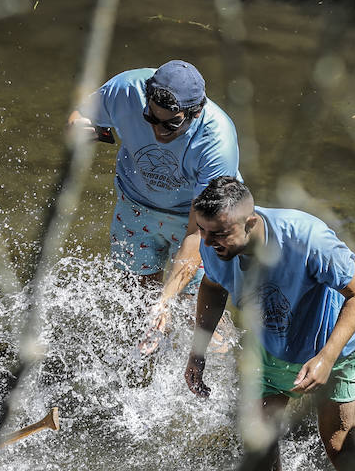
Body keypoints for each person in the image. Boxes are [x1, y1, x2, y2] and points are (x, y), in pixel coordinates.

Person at [183, 177, 355, 471]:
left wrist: (326, 358)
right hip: (270, 349)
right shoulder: (213, 245)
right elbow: (213, 287)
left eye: (218, 233)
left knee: (338, 445)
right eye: (202, 230)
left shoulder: (306, 238)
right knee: (260, 445)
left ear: (251, 222)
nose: (206, 242)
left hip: (333, 348)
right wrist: (198, 351)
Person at [67, 61, 240, 344]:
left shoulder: (217, 141)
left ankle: (217, 377)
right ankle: (143, 373)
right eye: (150, 118)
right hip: (135, 203)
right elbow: (80, 114)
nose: (159, 131)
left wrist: (166, 299)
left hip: (195, 218)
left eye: (171, 124)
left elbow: (198, 233)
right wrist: (76, 128)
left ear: (195, 114)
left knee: (197, 310)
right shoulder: (126, 89)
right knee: (136, 302)